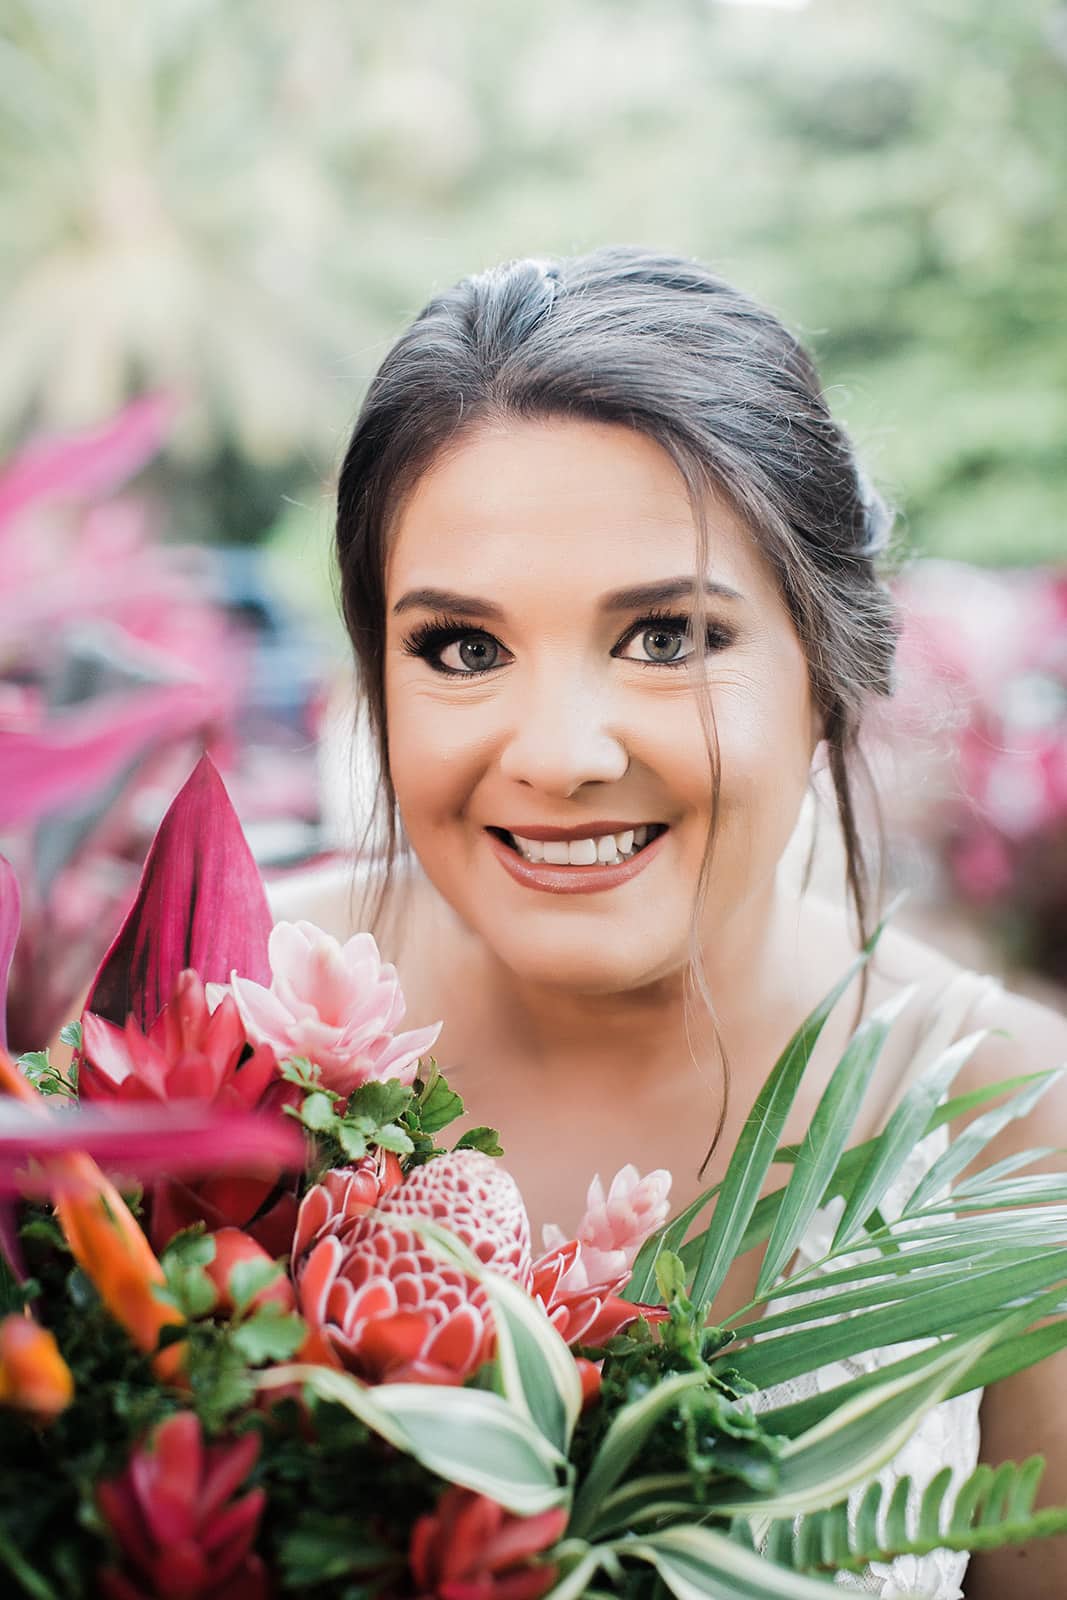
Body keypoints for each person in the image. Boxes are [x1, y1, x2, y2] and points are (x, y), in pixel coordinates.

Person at [272, 247, 1067, 1597]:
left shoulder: (1015, 1123)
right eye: (463, 648)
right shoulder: (222, 1004)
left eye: (666, 638)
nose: (561, 754)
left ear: (827, 664)